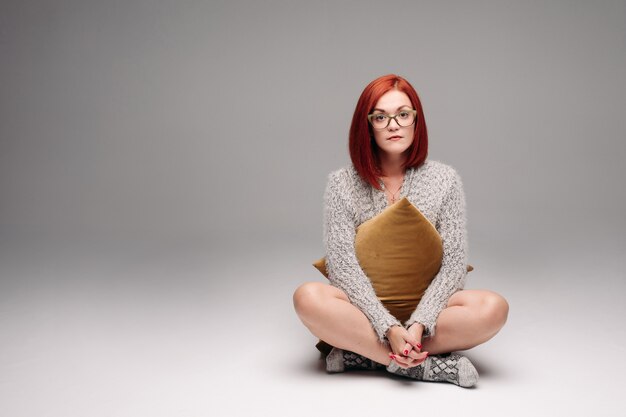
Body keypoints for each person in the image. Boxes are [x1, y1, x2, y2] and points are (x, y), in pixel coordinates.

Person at [293, 74, 509, 388]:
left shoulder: (445, 179)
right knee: (307, 297)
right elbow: (341, 267)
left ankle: (363, 355)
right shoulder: (340, 183)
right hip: (362, 312)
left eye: (403, 114)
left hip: (430, 312)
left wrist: (419, 324)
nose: (394, 125)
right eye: (381, 117)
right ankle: (421, 367)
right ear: (366, 125)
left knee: (494, 308)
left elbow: (452, 267)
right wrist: (388, 327)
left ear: (415, 121)